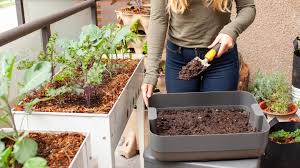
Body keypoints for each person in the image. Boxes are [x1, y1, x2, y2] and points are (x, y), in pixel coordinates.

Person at [142, 0, 256, 106]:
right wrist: (151, 72)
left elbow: (247, 7)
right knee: (182, 119)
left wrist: (232, 31)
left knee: (218, 119)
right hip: (179, 59)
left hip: (220, 58)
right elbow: (159, 19)